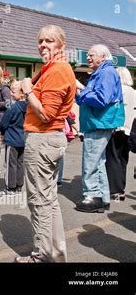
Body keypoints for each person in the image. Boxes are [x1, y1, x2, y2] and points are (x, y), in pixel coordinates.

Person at [15, 25, 76, 263]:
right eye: (40, 40)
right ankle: (55, 254)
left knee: (39, 200)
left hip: (43, 138)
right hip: (48, 138)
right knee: (48, 200)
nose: (42, 45)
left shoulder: (58, 70)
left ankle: (41, 256)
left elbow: (46, 114)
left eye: (49, 41)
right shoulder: (54, 68)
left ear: (62, 44)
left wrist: (28, 90)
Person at [75, 44, 124, 213]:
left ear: (103, 57)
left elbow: (101, 98)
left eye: (91, 55)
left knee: (90, 161)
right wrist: (82, 93)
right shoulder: (105, 72)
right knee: (99, 161)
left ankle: (92, 196)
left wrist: (81, 93)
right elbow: (95, 96)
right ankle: (102, 198)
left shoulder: (105, 72)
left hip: (98, 122)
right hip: (99, 122)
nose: (88, 58)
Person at [105, 67, 135, 202]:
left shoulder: (116, 91)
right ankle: (121, 189)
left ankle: (116, 191)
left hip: (117, 128)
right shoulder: (134, 92)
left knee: (113, 159)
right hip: (130, 129)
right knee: (123, 159)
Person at [0, 80, 28, 196]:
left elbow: (4, 124)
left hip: (12, 139)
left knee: (11, 163)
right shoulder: (29, 108)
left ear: (21, 93)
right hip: (23, 139)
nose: (11, 94)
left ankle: (10, 187)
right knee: (20, 163)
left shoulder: (12, 108)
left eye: (13, 92)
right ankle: (19, 185)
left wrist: (3, 132)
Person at [56, 111, 77, 187]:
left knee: (58, 157)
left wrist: (77, 130)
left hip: (59, 135)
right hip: (65, 136)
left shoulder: (62, 111)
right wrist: (78, 130)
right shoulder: (65, 110)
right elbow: (71, 122)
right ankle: (59, 180)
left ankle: (57, 179)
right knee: (60, 156)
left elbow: (70, 121)